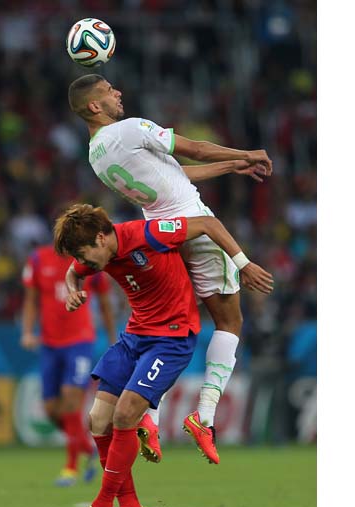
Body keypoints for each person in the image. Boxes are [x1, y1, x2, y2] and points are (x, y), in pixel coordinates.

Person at [68, 73, 273, 464]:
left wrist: (233, 165)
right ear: (95, 106)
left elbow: (173, 176)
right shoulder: (130, 129)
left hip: (158, 235)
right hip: (193, 226)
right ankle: (205, 417)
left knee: (169, 323)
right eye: (110, 91)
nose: (118, 92)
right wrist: (248, 153)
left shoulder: (96, 155)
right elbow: (193, 149)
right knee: (229, 323)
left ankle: (150, 417)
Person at [55, 203, 273, 507]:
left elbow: (208, 224)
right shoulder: (98, 254)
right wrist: (74, 290)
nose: (84, 264)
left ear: (101, 238)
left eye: (86, 256)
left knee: (125, 415)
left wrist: (242, 264)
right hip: (134, 338)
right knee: (97, 420)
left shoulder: (148, 234)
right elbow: (73, 272)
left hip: (171, 340)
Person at [21, 243, 117, 486]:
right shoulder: (38, 260)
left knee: (71, 400)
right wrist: (27, 331)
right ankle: (87, 446)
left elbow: (105, 303)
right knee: (52, 409)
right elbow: (31, 300)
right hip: (49, 344)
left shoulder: (89, 260)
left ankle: (71, 467)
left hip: (80, 342)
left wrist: (114, 339)